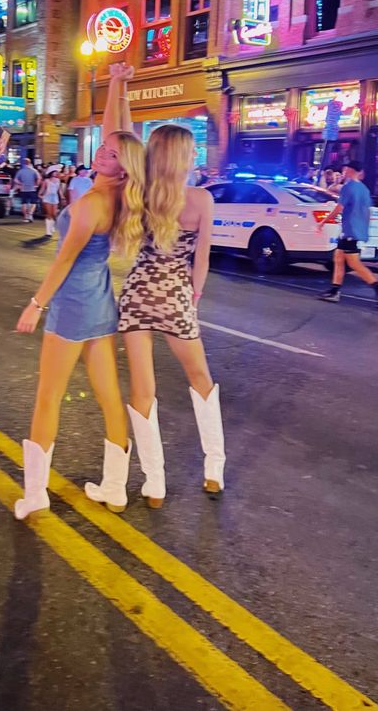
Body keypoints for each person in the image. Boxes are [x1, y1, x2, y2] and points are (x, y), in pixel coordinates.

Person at [14, 70, 145, 520]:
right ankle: (115, 487)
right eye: (103, 149)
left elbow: (63, 262)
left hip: (72, 307)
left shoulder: (91, 204)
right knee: (109, 395)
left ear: (122, 166)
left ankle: (34, 493)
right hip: (100, 303)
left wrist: (36, 305)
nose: (102, 152)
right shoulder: (118, 198)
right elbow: (118, 130)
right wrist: (117, 84)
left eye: (110, 154)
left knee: (48, 396)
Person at [117, 118, 225, 507]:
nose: (196, 154)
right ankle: (214, 468)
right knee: (200, 378)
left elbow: (121, 135)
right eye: (192, 149)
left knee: (143, 388)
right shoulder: (201, 199)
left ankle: (155, 483)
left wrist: (119, 85)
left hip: (137, 294)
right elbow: (203, 256)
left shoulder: (138, 193)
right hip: (175, 294)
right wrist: (193, 296)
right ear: (180, 155)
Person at [318, 161, 378, 305]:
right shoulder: (364, 189)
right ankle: (334, 290)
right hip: (355, 229)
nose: (343, 172)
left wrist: (323, 222)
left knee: (354, 263)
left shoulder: (348, 187)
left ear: (351, 170)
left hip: (350, 230)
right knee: (338, 258)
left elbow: (339, 208)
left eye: (345, 170)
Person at [14, 157, 41, 222]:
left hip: (23, 189)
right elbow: (39, 178)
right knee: (33, 203)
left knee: (24, 203)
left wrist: (20, 184)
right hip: (32, 189)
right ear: (30, 162)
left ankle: (26, 217)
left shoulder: (21, 171)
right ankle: (30, 214)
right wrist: (36, 185)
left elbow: (15, 180)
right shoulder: (34, 170)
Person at [39, 169, 61, 237]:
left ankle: (52, 226)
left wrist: (62, 197)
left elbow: (59, 190)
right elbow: (42, 189)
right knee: (49, 214)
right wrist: (40, 195)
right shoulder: (46, 181)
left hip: (55, 198)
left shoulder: (58, 180)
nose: (55, 173)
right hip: (47, 198)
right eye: (54, 172)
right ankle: (48, 231)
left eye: (56, 172)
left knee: (54, 214)